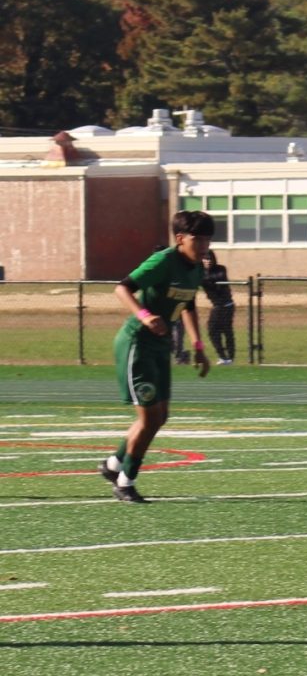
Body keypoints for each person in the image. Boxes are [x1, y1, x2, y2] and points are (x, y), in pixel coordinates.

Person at [99, 211, 213, 503]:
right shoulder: (163, 261)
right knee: (149, 418)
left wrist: (198, 345)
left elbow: (187, 305)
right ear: (180, 239)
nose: (203, 245)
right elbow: (122, 287)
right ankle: (125, 482)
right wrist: (146, 315)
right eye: (197, 239)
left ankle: (113, 465)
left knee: (160, 417)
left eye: (207, 239)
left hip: (160, 347)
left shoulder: (196, 268)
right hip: (137, 343)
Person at [200, 250, 236, 365]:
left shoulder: (221, 269)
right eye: (206, 258)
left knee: (220, 330)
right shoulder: (200, 272)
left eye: (210, 259)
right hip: (217, 305)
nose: (208, 261)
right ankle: (225, 358)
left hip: (225, 305)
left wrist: (205, 278)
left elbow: (218, 280)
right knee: (217, 331)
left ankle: (228, 358)